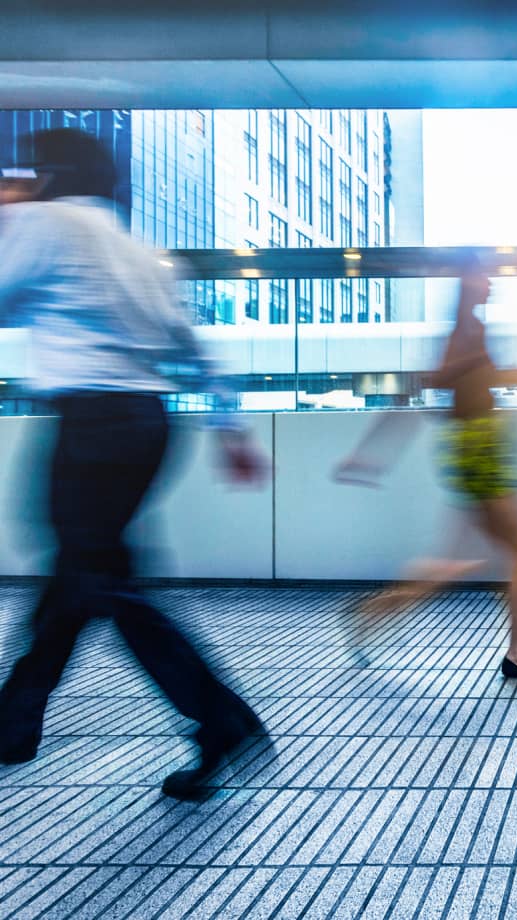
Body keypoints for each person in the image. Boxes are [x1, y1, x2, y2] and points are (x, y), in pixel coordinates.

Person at [0, 128, 272, 801]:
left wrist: (10, 216)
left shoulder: (44, 222)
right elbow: (195, 347)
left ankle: (221, 720)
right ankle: (13, 722)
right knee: (83, 568)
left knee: (99, 578)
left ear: (51, 174)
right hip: (149, 423)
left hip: (91, 422)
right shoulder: (142, 252)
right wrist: (231, 429)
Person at [336, 268, 517, 681]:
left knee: (471, 559)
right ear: (470, 282)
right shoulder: (465, 331)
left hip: (477, 448)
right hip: (480, 451)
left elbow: (448, 387)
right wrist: (370, 452)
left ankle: (372, 612)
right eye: (486, 275)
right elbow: (436, 379)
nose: (493, 282)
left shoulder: (468, 328)